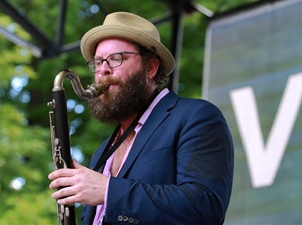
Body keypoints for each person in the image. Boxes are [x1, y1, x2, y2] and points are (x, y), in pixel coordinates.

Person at [48, 12, 234, 225]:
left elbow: (205, 206)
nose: (103, 70)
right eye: (98, 62)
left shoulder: (195, 116)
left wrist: (108, 190)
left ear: (151, 67)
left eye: (116, 58)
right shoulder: (103, 150)